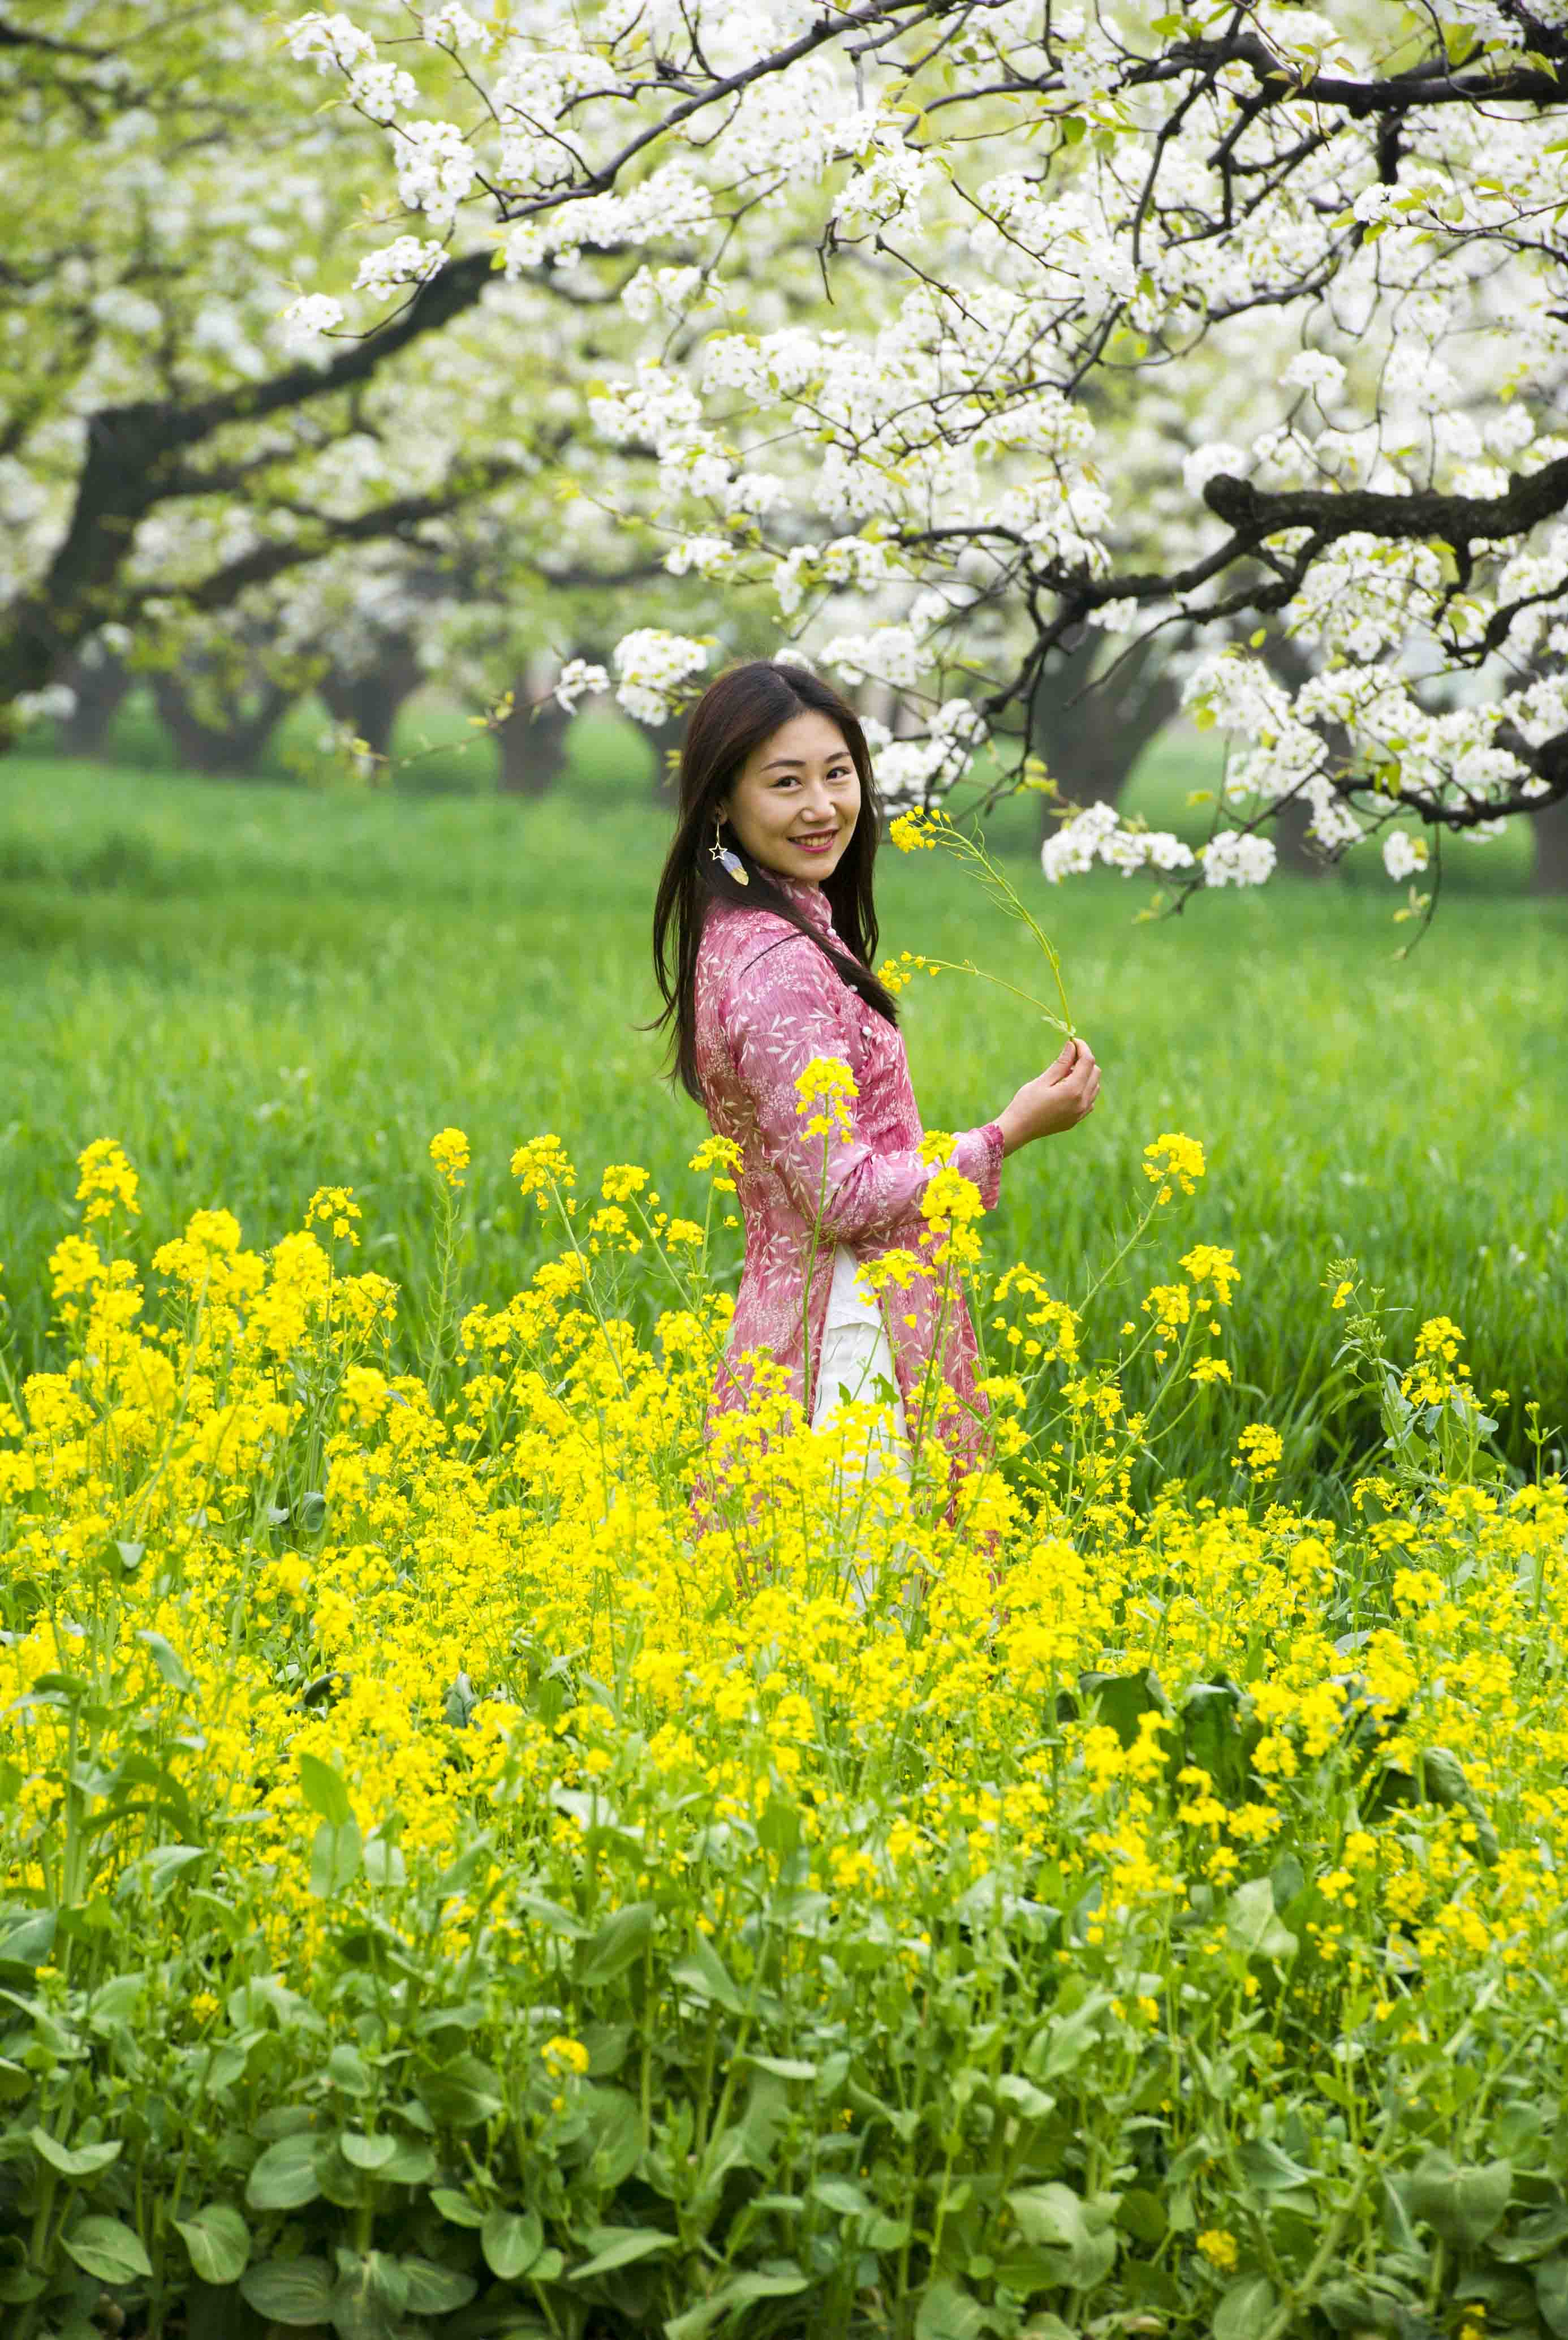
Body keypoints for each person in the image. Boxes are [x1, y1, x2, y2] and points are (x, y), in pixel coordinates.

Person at [651, 659, 1100, 1533]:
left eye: (838, 773)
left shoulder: (760, 928)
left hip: (805, 1320)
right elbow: (838, 1195)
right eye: (786, 783)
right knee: (868, 1600)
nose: (822, 807)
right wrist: (1006, 1135)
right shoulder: (778, 965)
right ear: (721, 804)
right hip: (848, 1339)